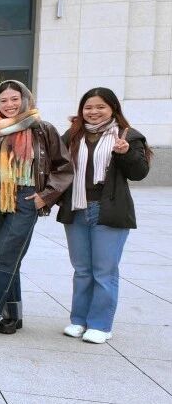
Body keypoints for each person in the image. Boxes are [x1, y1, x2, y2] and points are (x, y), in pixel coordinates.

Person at [0, 80, 73, 338]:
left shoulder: (43, 129)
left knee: (4, 256)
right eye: (4, 100)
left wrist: (45, 196)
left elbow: (64, 167)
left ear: (25, 99)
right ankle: (12, 314)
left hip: (26, 198)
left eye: (15, 99)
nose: (9, 104)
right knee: (4, 257)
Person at [57, 88, 151, 344]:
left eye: (101, 107)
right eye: (88, 107)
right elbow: (57, 167)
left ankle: (100, 325)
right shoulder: (73, 135)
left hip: (109, 209)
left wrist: (125, 153)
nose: (94, 112)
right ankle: (79, 320)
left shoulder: (127, 136)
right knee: (82, 270)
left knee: (104, 271)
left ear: (113, 109)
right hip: (77, 208)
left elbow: (139, 173)